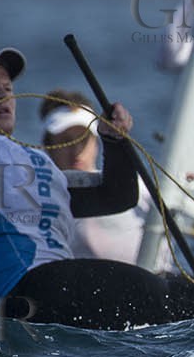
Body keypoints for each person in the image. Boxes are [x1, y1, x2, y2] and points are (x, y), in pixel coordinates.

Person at [0, 44, 194, 330]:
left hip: (61, 292)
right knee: (162, 294)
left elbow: (116, 197)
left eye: (7, 88)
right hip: (27, 291)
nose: (3, 96)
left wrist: (113, 143)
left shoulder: (36, 161)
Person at [39, 89, 161, 268]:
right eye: (66, 141)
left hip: (151, 284)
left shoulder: (140, 190)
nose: (76, 151)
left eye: (83, 139)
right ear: (48, 146)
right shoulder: (39, 198)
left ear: (96, 142)